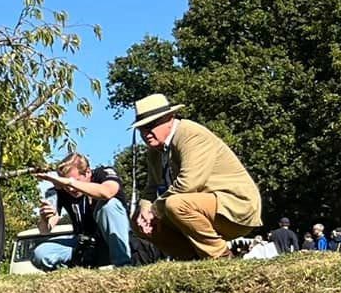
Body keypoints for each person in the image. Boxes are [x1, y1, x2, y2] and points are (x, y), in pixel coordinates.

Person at [127, 94, 264, 260]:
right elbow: (151, 187)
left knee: (175, 204)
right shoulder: (154, 152)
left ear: (170, 118)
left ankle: (222, 256)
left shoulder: (190, 134)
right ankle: (192, 259)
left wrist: (154, 209)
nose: (146, 133)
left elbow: (188, 184)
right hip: (201, 207)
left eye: (151, 125)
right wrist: (144, 208)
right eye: (141, 128)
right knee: (137, 221)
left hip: (235, 205)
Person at [29, 151, 133, 270]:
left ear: (88, 172)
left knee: (109, 205)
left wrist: (71, 182)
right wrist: (44, 218)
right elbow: (45, 230)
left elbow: (107, 192)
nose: (70, 189)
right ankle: (73, 275)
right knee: (41, 253)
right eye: (65, 184)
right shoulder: (58, 190)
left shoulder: (102, 174)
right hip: (84, 244)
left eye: (76, 180)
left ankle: (123, 267)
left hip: (113, 240)